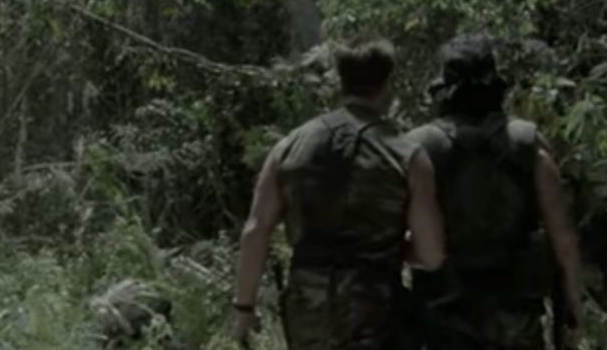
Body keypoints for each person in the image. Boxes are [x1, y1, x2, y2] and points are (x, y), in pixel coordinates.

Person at [233, 37, 446, 349]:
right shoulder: (408, 156)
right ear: (387, 83)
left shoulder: (289, 146)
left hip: (308, 308)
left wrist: (244, 307)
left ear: (340, 81)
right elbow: (432, 254)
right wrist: (393, 250)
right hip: (375, 309)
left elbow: (256, 230)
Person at [406, 33, 584, 350]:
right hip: (514, 315)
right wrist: (572, 304)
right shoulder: (527, 144)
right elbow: (564, 238)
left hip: (446, 315)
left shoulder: (420, 148)